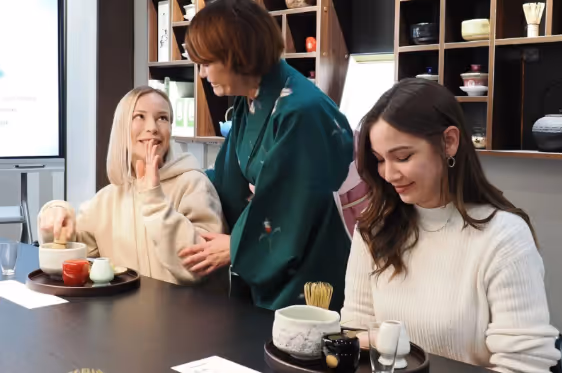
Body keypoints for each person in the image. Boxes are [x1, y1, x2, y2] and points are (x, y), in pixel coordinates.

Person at [340, 79, 561, 372]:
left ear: (449, 142)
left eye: (403, 157)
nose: (389, 174)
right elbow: (355, 331)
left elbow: (524, 365)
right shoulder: (374, 229)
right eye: (380, 160)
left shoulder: (503, 237)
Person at [179, 0, 353, 311]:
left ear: (237, 55)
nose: (203, 74)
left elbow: (294, 202)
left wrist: (236, 245)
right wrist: (178, 186)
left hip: (309, 263)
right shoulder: (251, 101)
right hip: (275, 258)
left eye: (206, 63)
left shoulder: (302, 111)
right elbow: (227, 177)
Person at [38, 86, 228, 290]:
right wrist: (55, 216)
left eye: (162, 118)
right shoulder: (107, 199)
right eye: (139, 116)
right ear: (122, 128)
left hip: (185, 318)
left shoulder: (193, 184)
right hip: (125, 319)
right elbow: (69, 257)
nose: (153, 127)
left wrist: (154, 200)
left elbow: (197, 267)